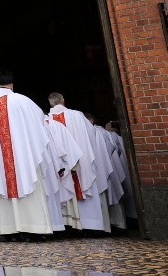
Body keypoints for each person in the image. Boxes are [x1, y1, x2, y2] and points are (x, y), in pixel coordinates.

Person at [0, 71, 53, 238]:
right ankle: (35, 229)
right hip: (24, 156)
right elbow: (40, 120)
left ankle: (11, 230)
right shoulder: (23, 100)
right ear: (11, 86)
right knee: (27, 182)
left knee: (3, 184)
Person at [47, 92, 113, 234]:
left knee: (64, 187)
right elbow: (91, 134)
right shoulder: (77, 115)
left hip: (60, 163)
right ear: (63, 100)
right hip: (81, 160)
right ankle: (91, 225)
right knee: (84, 183)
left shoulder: (47, 119)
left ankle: (70, 224)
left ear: (50, 103)